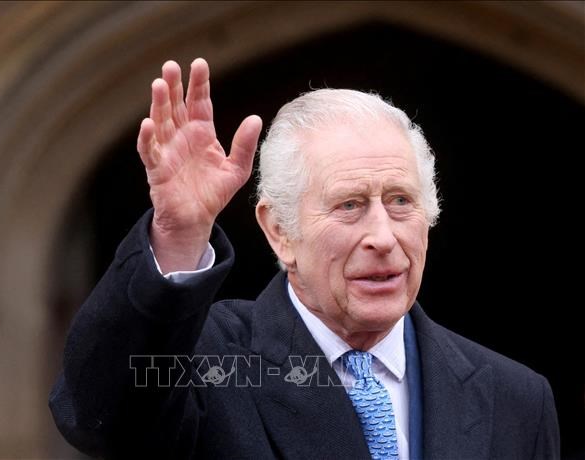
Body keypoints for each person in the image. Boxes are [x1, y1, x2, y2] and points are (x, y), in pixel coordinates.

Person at [49, 58, 559, 459]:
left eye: (401, 201)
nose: (383, 236)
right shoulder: (208, 365)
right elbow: (100, 416)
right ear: (280, 232)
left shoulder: (516, 398)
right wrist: (178, 234)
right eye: (349, 205)